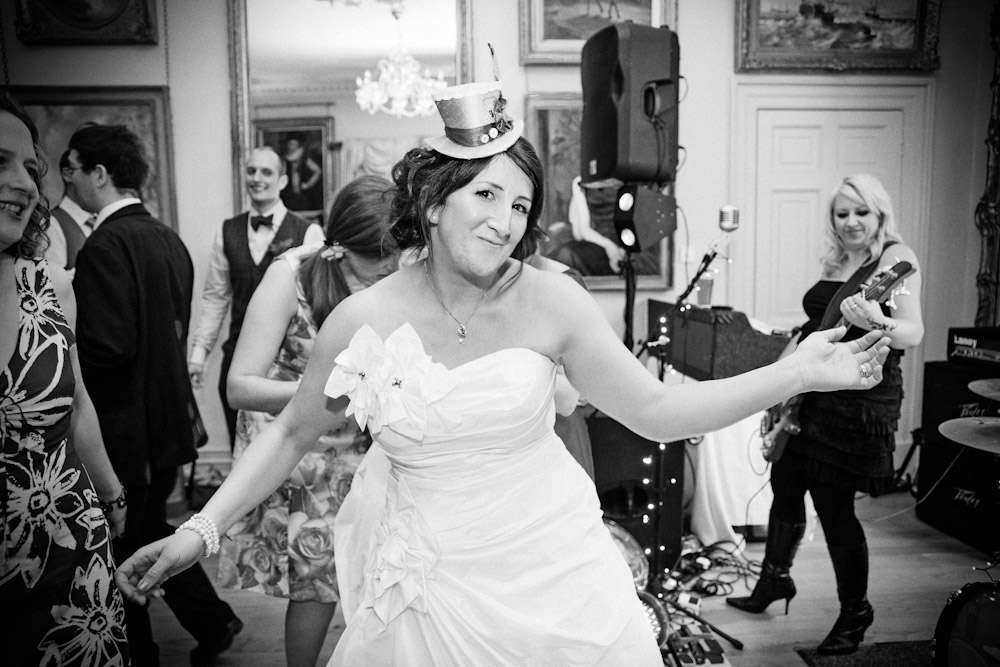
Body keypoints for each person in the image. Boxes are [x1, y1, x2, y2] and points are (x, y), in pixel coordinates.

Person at [116, 81, 891, 666]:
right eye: (486, 193)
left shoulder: (552, 301)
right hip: (425, 591)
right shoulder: (361, 320)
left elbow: (658, 410)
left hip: (551, 570)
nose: (505, 221)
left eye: (520, 205)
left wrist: (798, 371)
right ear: (432, 201)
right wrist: (196, 532)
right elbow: (290, 431)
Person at [726, 173, 923, 656]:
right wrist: (778, 377)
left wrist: (875, 319)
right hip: (815, 387)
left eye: (861, 212)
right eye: (842, 213)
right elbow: (817, 323)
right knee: (786, 483)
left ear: (880, 213)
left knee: (834, 506)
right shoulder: (839, 260)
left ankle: (856, 612)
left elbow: (913, 332)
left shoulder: (895, 258)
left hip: (856, 396)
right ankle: (774, 579)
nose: (851, 221)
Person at [68, 122, 243, 666]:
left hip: (125, 429)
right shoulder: (169, 239)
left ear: (99, 173)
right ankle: (213, 622)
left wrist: (63, 350)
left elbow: (110, 349)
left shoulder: (103, 246)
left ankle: (140, 651)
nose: (67, 180)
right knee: (144, 532)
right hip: (168, 423)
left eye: (72, 169)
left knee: (121, 541)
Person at [217, 174, 398, 667]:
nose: (392, 267)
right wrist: (325, 390)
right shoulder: (288, 278)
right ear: (340, 249)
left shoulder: (399, 280)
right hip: (302, 458)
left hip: (372, 452)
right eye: (379, 256)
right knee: (317, 585)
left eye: (399, 251)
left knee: (385, 576)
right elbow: (240, 387)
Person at [0, 92, 129, 665]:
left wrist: (112, 493)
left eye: (30, 167)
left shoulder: (50, 284)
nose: (24, 183)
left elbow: (77, 403)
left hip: (68, 547)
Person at [189, 146, 323, 451]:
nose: (257, 178)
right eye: (251, 171)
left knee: (287, 451)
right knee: (243, 449)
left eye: (266, 172)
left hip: (290, 365)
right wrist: (198, 355)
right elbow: (216, 297)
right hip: (237, 360)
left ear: (283, 180)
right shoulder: (227, 230)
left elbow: (318, 305)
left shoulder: (309, 232)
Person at [44, 149, 96, 275]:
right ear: (67, 174)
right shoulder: (51, 225)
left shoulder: (105, 221)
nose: (100, 179)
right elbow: (52, 281)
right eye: (92, 170)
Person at [282, 136, 323, 212]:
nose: (291, 147)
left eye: (294, 144)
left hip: (304, 195)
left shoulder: (305, 159)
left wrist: (308, 184)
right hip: (289, 195)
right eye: (290, 144)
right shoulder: (285, 160)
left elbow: (318, 171)